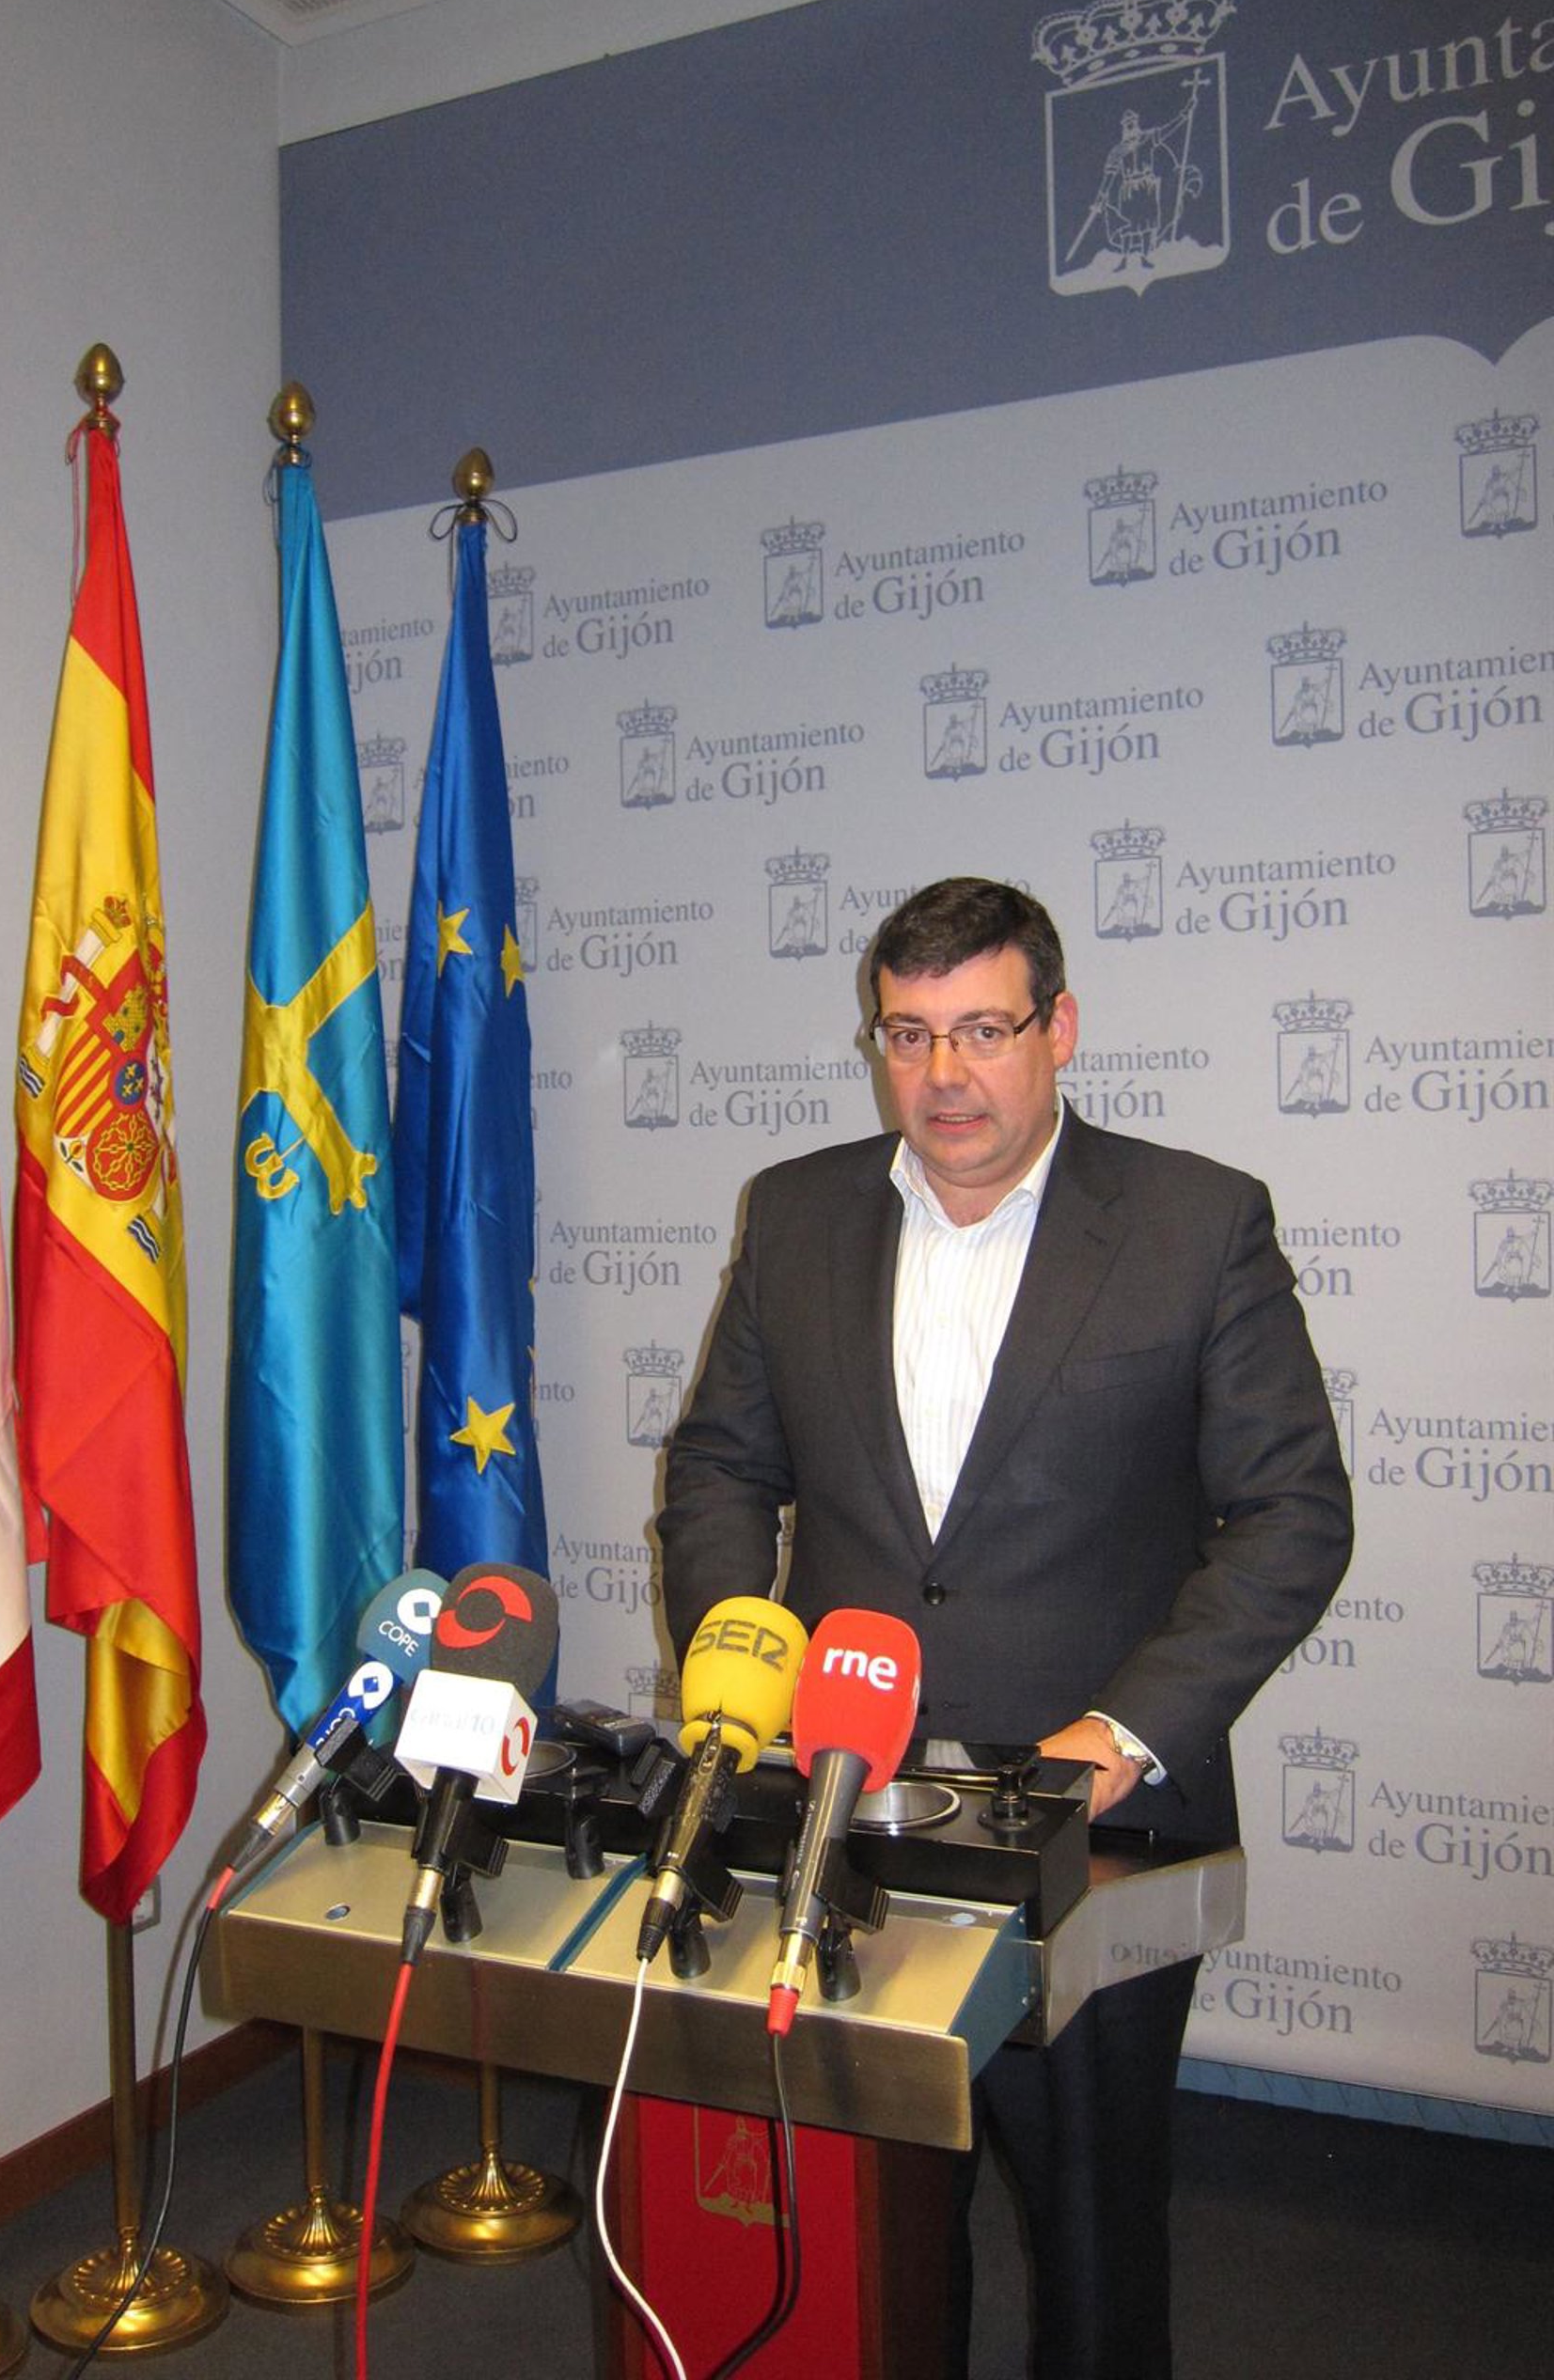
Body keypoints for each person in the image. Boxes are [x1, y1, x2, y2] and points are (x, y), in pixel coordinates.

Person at [656, 876, 1353, 2380]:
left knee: (1093, 2246)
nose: (944, 1074)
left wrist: (1121, 1735)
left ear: (1059, 1029)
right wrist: (743, 1658)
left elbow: (1293, 1515)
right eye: (908, 1034)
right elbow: (719, 1467)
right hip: (845, 1809)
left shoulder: (1195, 1223)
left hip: (1095, 1829)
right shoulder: (796, 1214)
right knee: (874, 2233)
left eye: (982, 1029)